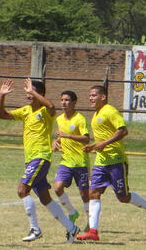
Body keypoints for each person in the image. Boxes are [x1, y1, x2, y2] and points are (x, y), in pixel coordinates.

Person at [0, 78, 80, 243]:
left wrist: (33, 91)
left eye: (31, 92)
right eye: (27, 92)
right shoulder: (26, 110)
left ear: (39, 94)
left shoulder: (45, 111)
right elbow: (2, 115)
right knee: (44, 198)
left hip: (41, 157)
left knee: (22, 190)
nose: (28, 95)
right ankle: (72, 229)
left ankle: (35, 229)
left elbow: (51, 107)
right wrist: (2, 96)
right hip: (30, 159)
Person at [77, 85, 146, 242]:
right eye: (90, 95)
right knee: (93, 193)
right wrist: (93, 146)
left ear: (103, 97)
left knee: (123, 197)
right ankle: (93, 231)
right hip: (101, 161)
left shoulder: (110, 111)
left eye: (94, 95)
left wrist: (104, 144)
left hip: (116, 161)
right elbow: (102, 139)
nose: (90, 98)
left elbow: (123, 131)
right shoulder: (96, 115)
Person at [52, 90, 91, 232]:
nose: (64, 102)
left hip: (81, 162)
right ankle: (72, 212)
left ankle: (90, 221)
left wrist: (67, 135)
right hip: (66, 161)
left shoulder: (79, 119)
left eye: (67, 100)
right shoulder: (59, 119)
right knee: (57, 188)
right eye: (62, 100)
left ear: (74, 103)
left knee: (84, 194)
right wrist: (55, 143)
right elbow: (59, 137)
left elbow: (86, 138)